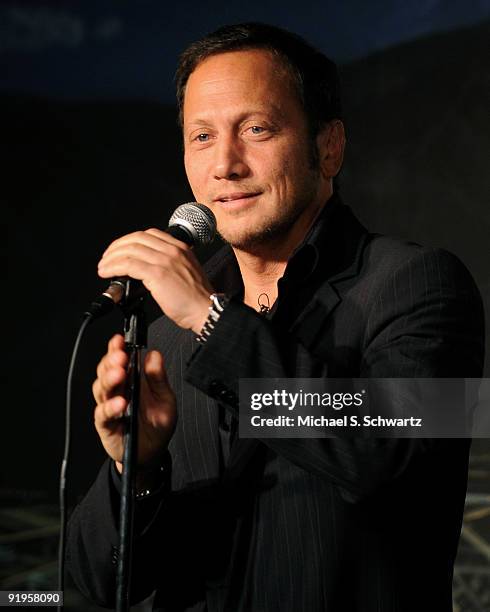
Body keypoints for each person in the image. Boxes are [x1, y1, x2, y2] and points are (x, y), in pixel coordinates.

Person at [66, 23, 484, 612]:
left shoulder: (421, 283)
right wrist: (135, 466)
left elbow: (393, 453)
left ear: (329, 146)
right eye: (202, 137)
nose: (225, 165)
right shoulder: (167, 335)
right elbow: (89, 585)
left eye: (256, 129)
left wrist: (213, 324)